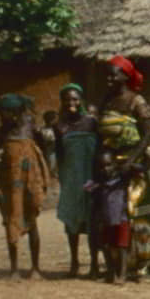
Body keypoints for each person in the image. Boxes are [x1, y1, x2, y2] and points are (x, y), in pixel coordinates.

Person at [93, 55, 150, 280]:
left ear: (125, 76)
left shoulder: (136, 101)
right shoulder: (107, 101)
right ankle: (118, 265)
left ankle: (145, 265)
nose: (109, 79)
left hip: (135, 165)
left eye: (113, 74)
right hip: (110, 166)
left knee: (138, 213)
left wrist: (131, 161)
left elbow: (148, 133)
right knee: (113, 216)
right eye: (108, 75)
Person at [0, 93, 49, 280]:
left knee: (32, 221)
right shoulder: (3, 130)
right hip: (10, 181)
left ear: (15, 113)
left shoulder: (30, 125)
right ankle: (14, 268)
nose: (1, 117)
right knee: (11, 220)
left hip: (30, 178)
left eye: (4, 113)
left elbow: (42, 149)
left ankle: (35, 268)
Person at [50, 83, 101, 278]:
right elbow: (60, 154)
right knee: (71, 222)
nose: (72, 103)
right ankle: (74, 262)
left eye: (75, 99)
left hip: (90, 177)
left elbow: (99, 149)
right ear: (62, 102)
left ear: (81, 101)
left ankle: (95, 263)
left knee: (92, 222)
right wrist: (63, 178)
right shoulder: (59, 126)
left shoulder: (91, 122)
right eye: (67, 99)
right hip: (71, 179)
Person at [85, 148, 132, 285]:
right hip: (106, 220)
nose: (106, 169)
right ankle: (111, 272)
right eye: (102, 166)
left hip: (121, 219)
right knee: (107, 246)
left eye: (109, 164)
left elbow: (142, 168)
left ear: (115, 164)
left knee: (122, 247)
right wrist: (96, 185)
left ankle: (122, 274)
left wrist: (126, 163)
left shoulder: (121, 179)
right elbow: (87, 188)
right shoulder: (99, 182)